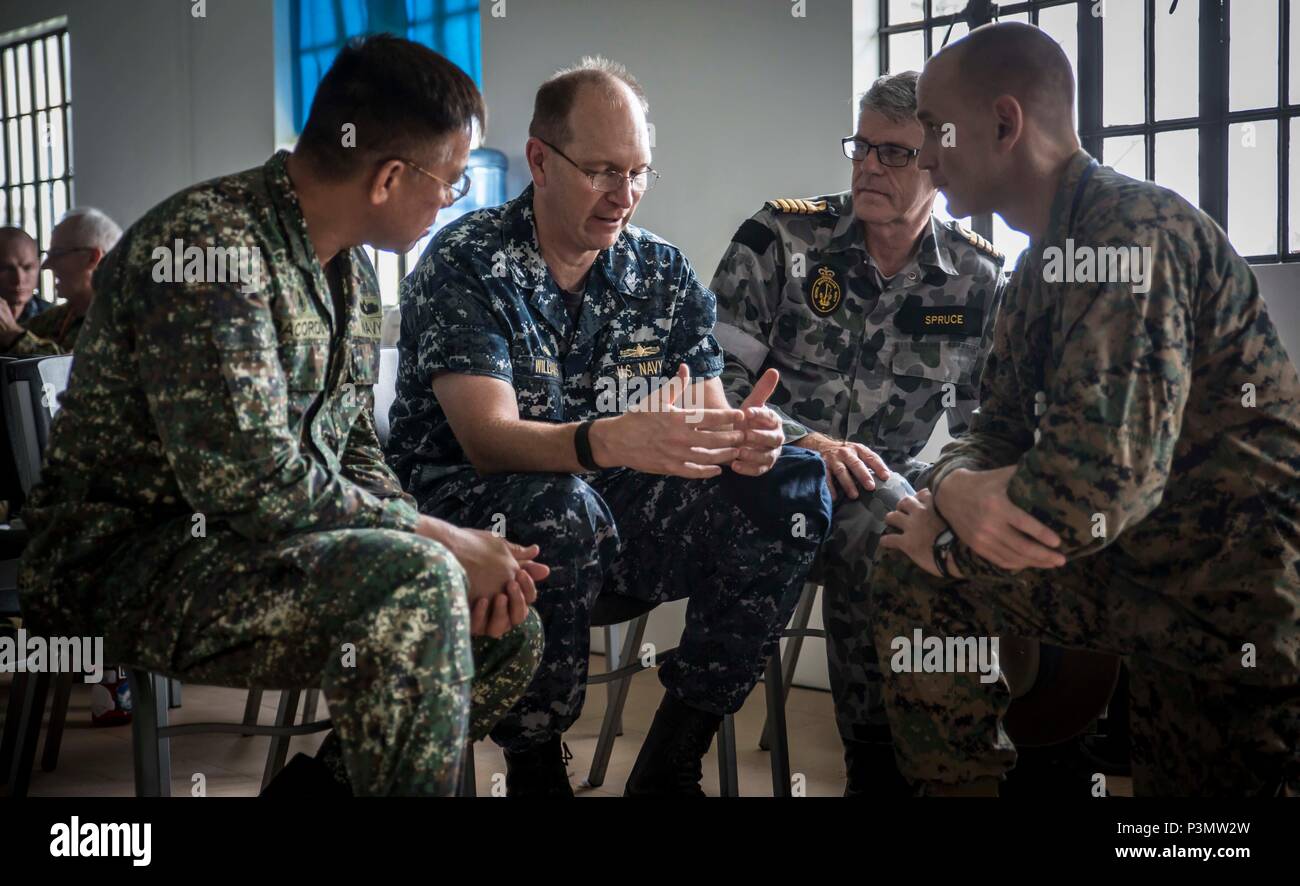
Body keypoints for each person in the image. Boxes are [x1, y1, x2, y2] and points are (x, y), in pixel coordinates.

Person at [18, 35, 545, 796]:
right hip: (127, 562)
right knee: (423, 583)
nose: (449, 201)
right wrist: (440, 539)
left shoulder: (353, 270)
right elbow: (253, 484)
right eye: (451, 182)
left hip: (257, 546)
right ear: (390, 176)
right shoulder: (209, 249)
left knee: (506, 631)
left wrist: (434, 541)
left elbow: (352, 442)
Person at [874, 22, 1300, 796]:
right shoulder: (1041, 267)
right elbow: (992, 427)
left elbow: (1095, 494)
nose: (926, 156)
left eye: (937, 131)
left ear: (1005, 124)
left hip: (1242, 602)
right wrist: (952, 488)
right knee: (905, 557)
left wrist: (947, 536)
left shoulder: (1132, 235)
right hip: (1144, 580)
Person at [387, 57, 831, 796]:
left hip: (614, 513)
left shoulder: (660, 270)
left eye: (638, 172)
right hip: (473, 513)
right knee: (563, 506)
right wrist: (604, 441)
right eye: (600, 170)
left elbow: (708, 415)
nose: (622, 195)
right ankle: (533, 766)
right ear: (540, 160)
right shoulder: (467, 261)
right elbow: (487, 439)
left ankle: (676, 750)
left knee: (792, 487)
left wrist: (745, 443)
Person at [709, 70, 1005, 796]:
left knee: (937, 522)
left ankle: (982, 755)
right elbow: (713, 385)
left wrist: (961, 493)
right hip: (761, 472)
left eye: (895, 154)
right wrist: (810, 442)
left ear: (937, 162)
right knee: (888, 521)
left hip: (882, 490)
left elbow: (988, 426)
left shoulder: (974, 278)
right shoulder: (780, 237)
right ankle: (879, 766)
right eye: (862, 146)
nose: (869, 166)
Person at [0, 208, 122, 356]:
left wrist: (15, 336)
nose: (46, 265)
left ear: (92, 258)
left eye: (58, 253)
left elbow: (70, 369)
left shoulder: (122, 317)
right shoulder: (59, 316)